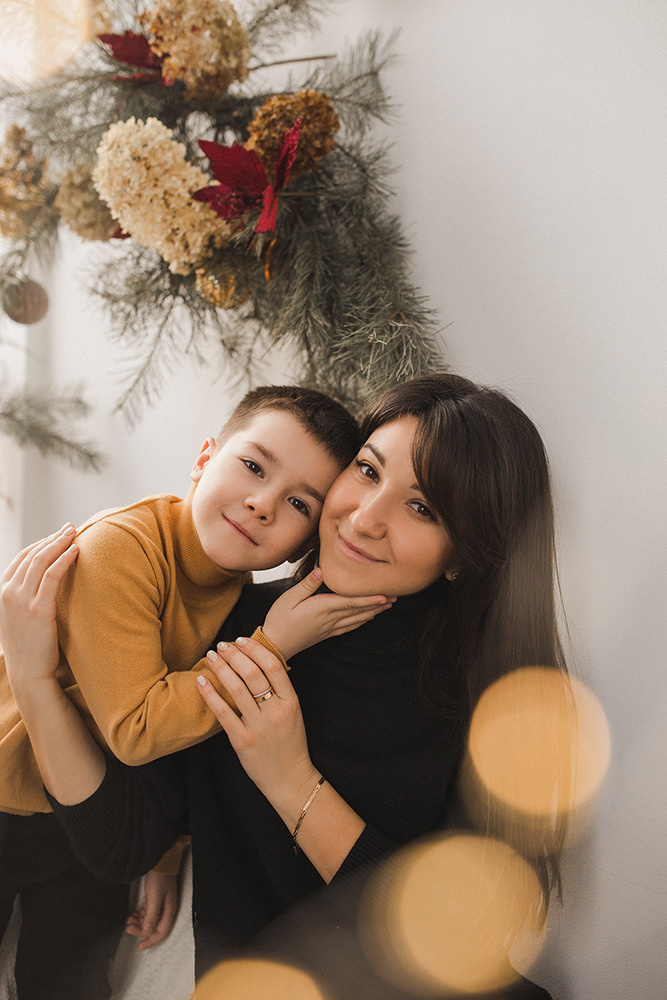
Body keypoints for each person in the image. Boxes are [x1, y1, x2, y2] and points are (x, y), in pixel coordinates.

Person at [1, 373, 567, 998]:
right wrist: (33, 679)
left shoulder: (494, 694)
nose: (365, 517)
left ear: (463, 554)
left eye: (422, 507)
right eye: (369, 471)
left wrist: (289, 779)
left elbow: (466, 936)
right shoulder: (243, 626)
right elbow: (121, 845)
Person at [0, 384, 395, 1000]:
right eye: (253, 466)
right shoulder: (122, 548)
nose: (263, 504)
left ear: (307, 539)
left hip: (79, 822)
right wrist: (274, 646)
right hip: (6, 792)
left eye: (298, 503)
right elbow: (138, 730)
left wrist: (164, 855)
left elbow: (188, 750)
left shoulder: (236, 595)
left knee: (67, 980)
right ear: (205, 459)